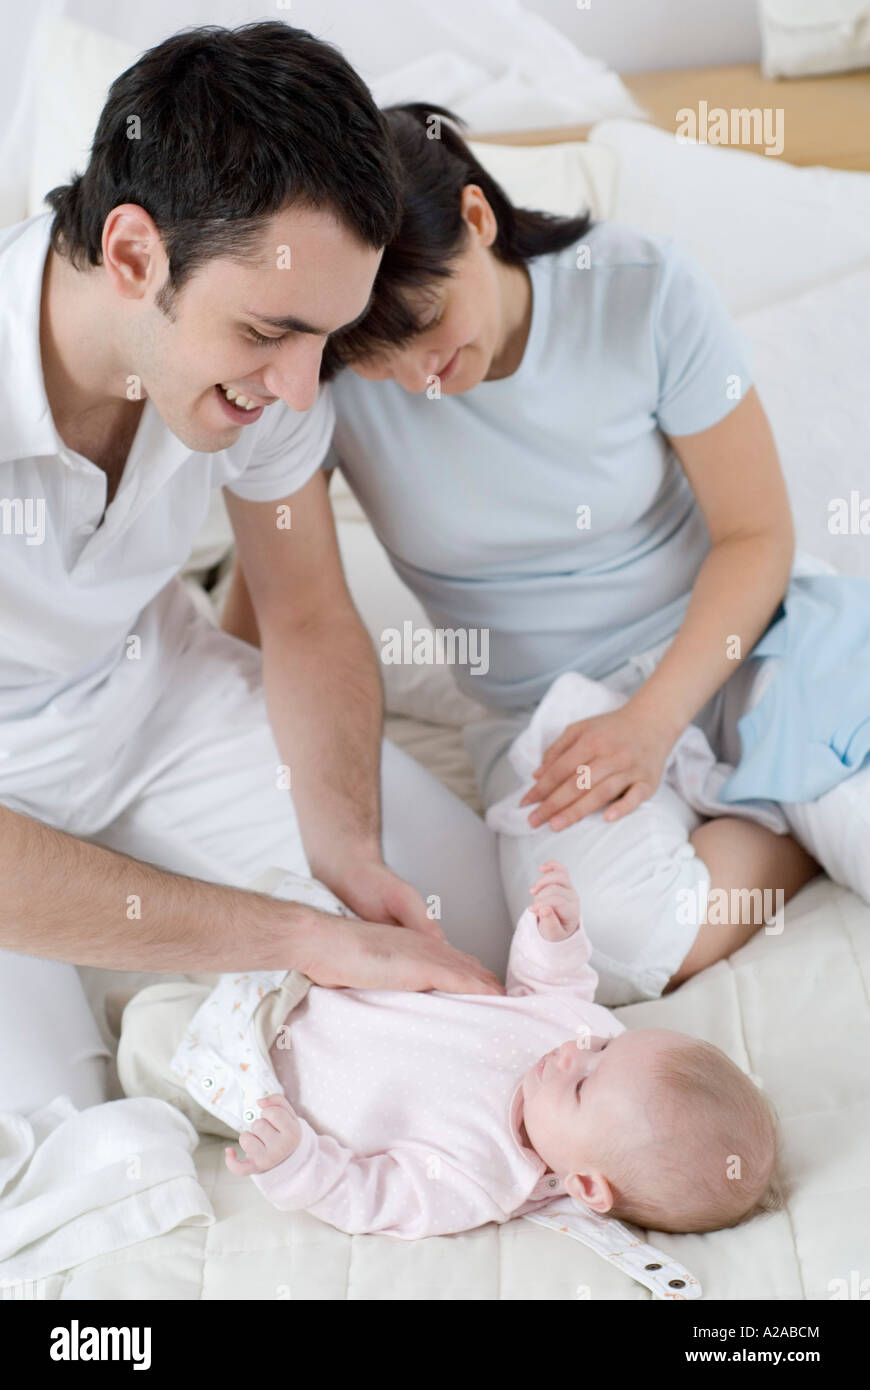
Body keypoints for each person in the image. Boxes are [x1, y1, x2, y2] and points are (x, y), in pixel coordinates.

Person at [224, 102, 870, 1007]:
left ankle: (784, 786)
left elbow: (757, 535)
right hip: (547, 714)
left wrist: (652, 723)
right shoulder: (322, 383)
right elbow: (285, 604)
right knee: (604, 944)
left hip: (748, 645)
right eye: (377, 358)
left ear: (480, 220)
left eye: (428, 325)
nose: (419, 379)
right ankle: (781, 829)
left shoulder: (643, 287)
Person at [0, 36, 512, 1118]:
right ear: (134, 255)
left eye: (321, 341)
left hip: (147, 688)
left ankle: (177, 977)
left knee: (473, 932)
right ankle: (164, 997)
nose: (293, 388)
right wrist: (302, 935)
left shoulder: (274, 380)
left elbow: (309, 610)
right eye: (266, 331)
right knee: (47, 1152)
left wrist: (346, 852)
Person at [117, 861, 779, 1238]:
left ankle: (114, 1006)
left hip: (257, 1070)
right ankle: (121, 917)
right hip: (309, 975)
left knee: (145, 1030)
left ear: (585, 1185)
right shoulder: (573, 1035)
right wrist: (555, 936)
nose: (575, 1055)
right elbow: (551, 989)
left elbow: (369, 1196)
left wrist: (296, 1162)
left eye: (583, 1085)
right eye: (605, 1045)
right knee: (194, 919)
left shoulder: (482, 1178)